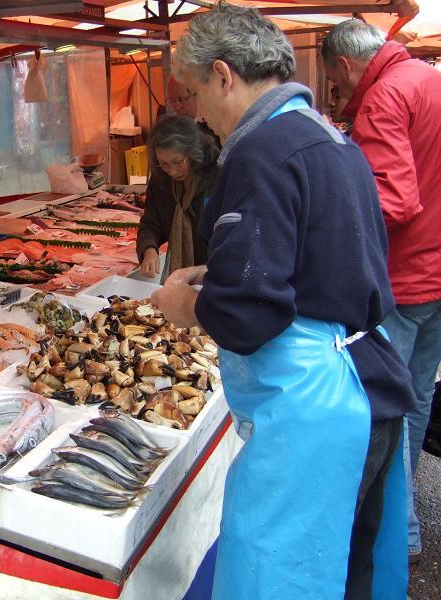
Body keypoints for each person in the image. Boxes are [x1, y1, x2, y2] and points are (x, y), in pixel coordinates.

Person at [151, 3, 414, 598]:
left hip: (320, 408)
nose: (196, 115)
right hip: (370, 382)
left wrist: (182, 304)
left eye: (193, 94)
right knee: (348, 572)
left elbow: (249, 314)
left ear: (223, 74)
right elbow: (320, 258)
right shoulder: (326, 136)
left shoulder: (260, 150)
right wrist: (220, 269)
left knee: (284, 576)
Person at [322, 18, 441, 566]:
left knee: (379, 410)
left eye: (337, 84)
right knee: (413, 400)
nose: (342, 95)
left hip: (407, 276)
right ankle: (407, 522)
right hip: (437, 272)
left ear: (345, 66)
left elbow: (393, 200)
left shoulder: (386, 96)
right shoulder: (430, 78)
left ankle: (385, 531)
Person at [137, 116, 219, 282]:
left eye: (178, 162)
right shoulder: (160, 180)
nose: (172, 171)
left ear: (193, 153)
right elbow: (151, 223)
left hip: (214, 273)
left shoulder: (217, 178)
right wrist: (149, 249)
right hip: (180, 278)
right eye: (164, 164)